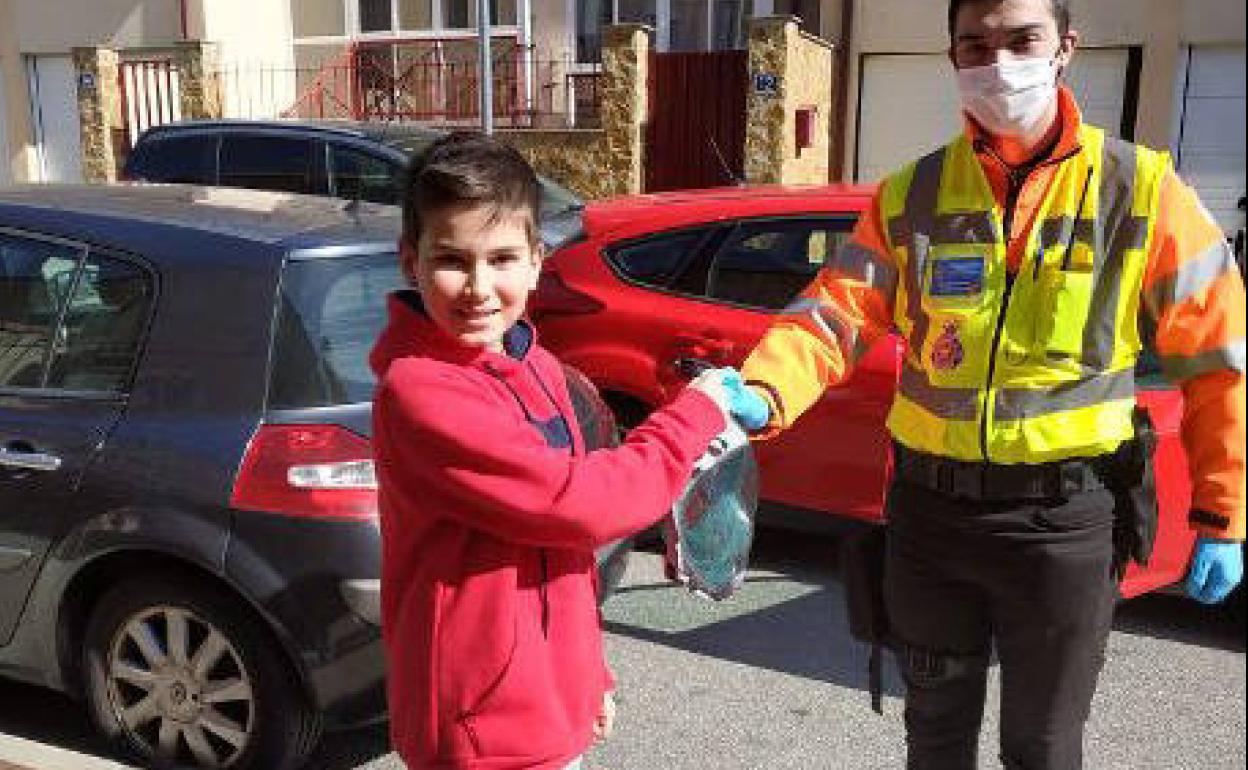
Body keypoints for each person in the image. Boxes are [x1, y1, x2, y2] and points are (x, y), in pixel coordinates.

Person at [728, 1, 1245, 767]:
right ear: (953, 57)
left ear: (1065, 48)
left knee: (1041, 746)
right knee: (933, 735)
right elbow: (834, 313)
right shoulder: (913, 194)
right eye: (976, 42)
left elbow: (1218, 361)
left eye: (1022, 39)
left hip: (1064, 522)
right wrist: (762, 388)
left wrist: (1225, 513)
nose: (998, 60)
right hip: (931, 519)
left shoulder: (1142, 190)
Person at [369, 132, 737, 769]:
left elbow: (564, 553)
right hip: (480, 728)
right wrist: (695, 415)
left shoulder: (533, 362)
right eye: (452, 258)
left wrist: (586, 676)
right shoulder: (421, 391)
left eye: (503, 258)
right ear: (412, 261)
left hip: (546, 702)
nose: (479, 286)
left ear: (538, 261)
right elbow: (581, 506)